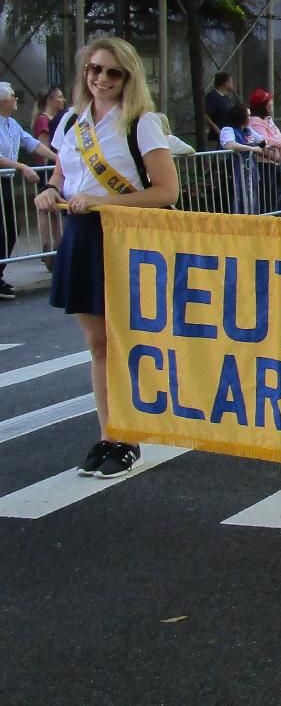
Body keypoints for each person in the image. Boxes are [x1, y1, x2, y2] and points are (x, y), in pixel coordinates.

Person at [34, 37, 179, 477]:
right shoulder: (72, 122)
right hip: (81, 237)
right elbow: (61, 174)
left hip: (126, 237)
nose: (101, 79)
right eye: (94, 69)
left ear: (128, 77)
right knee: (98, 345)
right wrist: (51, 191)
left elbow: (166, 190)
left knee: (128, 342)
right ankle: (110, 434)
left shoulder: (142, 123)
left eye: (112, 72)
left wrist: (106, 205)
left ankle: (131, 432)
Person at [0, 83, 59, 298]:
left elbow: (32, 144)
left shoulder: (12, 124)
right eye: (13, 96)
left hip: (5, 181)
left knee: (10, 230)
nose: (17, 99)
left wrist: (58, 159)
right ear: (2, 101)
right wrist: (21, 166)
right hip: (2, 178)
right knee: (3, 229)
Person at [31, 86, 66, 268]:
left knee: (55, 211)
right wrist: (56, 164)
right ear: (50, 99)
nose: (62, 100)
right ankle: (47, 250)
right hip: (47, 169)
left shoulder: (57, 119)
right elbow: (44, 148)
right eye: (59, 97)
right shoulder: (43, 121)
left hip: (54, 169)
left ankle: (58, 246)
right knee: (45, 209)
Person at [220, 105, 266, 214]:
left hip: (249, 170)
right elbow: (229, 144)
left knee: (252, 195)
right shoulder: (228, 130)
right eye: (248, 115)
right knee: (237, 195)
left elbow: (261, 139)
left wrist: (261, 145)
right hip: (235, 170)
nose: (250, 118)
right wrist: (251, 148)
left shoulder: (247, 130)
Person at [204, 71, 237, 147]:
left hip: (228, 137)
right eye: (230, 82)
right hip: (216, 139)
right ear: (226, 83)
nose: (232, 84)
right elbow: (205, 115)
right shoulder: (212, 96)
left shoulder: (226, 98)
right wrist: (217, 129)